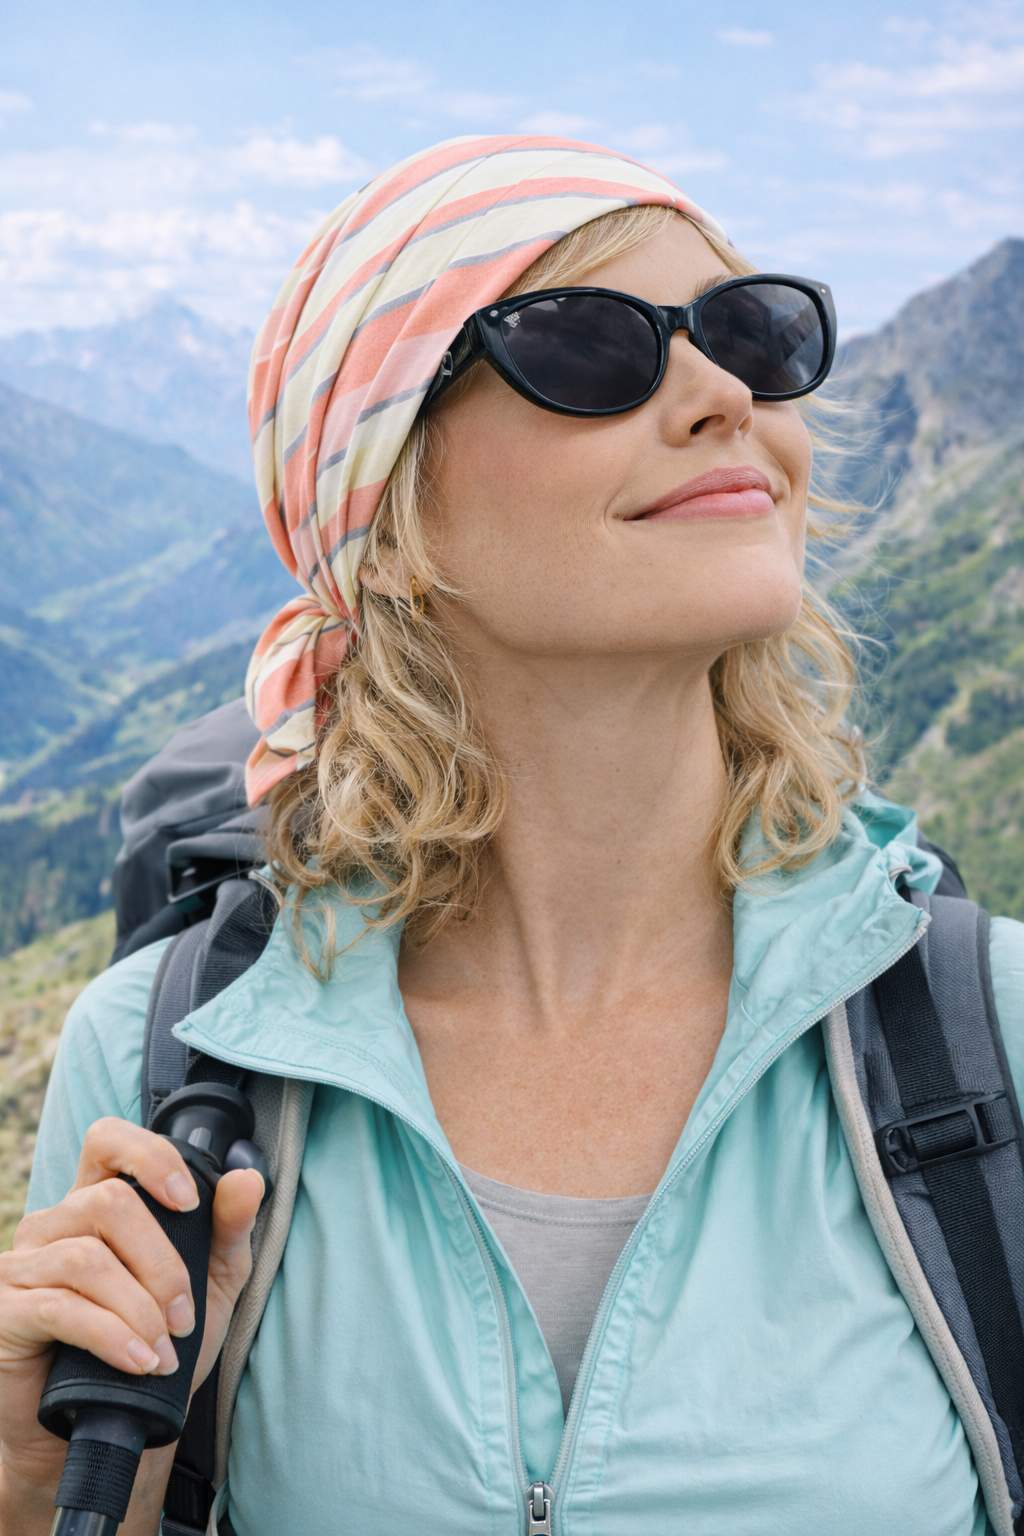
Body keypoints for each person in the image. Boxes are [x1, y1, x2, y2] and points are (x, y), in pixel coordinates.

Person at [1, 135, 1021, 1536]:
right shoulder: (170, 1061)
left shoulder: (993, 1035)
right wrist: (48, 1501)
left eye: (751, 332)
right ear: (390, 505)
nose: (722, 391)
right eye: (596, 348)